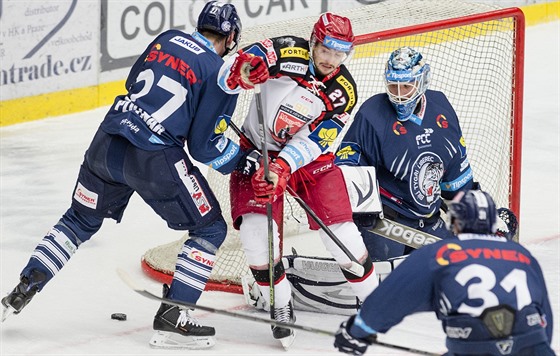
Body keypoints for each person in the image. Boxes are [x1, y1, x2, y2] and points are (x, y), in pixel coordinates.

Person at [1, 1, 256, 350]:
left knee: (78, 219)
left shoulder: (167, 38)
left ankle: (26, 285)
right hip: (153, 157)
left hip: (107, 140)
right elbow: (204, 147)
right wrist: (243, 160)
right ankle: (174, 318)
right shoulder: (218, 72)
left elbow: (133, 81)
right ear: (231, 38)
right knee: (210, 228)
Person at [219, 12, 379, 347]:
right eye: (326, 50)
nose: (331, 60)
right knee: (254, 236)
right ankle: (280, 303)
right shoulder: (289, 51)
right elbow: (246, 60)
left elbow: (318, 140)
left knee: (343, 235)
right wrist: (247, 69)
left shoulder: (343, 91)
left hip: (307, 160)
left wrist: (282, 167)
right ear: (314, 42)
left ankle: (374, 304)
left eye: (339, 54)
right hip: (257, 150)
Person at [334, 190, 555, 356]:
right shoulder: (522, 255)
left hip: (473, 346)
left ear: (455, 223)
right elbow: (546, 318)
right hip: (533, 346)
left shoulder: (441, 253)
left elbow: (391, 298)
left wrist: (358, 330)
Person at [336, 46, 477, 261]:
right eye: (394, 87)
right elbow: (348, 160)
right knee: (383, 290)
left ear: (422, 81)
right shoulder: (372, 114)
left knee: (457, 273)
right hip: (385, 225)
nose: (399, 96)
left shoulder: (441, 108)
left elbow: (455, 170)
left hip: (429, 222)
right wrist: (362, 207)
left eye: (407, 86)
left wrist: (472, 211)